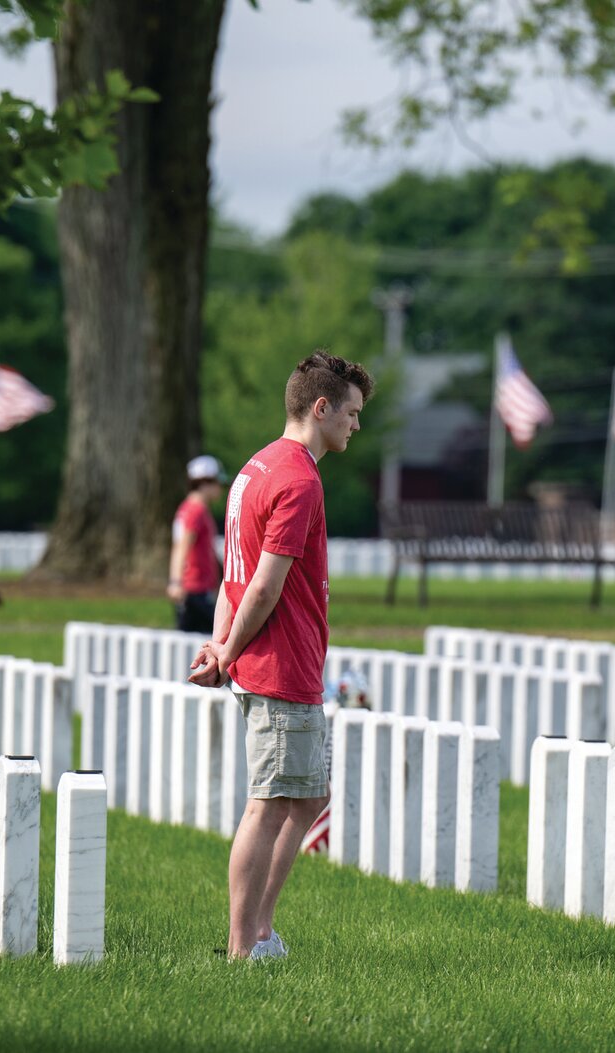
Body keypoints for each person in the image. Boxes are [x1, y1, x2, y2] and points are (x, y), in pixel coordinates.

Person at [188, 349, 374, 961]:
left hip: (273, 661)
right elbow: (262, 584)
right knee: (268, 804)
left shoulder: (254, 468)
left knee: (308, 795)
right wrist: (232, 651)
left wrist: (219, 649)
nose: (355, 425)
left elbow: (229, 577)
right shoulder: (297, 479)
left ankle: (261, 929)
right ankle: (245, 945)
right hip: (279, 666)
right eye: (350, 413)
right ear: (321, 408)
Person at [169, 455, 227, 633]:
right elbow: (182, 547)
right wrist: (176, 582)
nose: (220, 488)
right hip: (195, 590)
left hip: (197, 589)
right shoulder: (196, 511)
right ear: (204, 483)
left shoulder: (188, 508)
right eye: (217, 483)